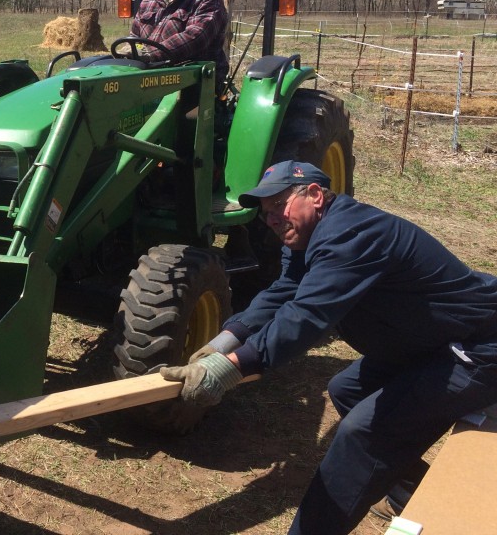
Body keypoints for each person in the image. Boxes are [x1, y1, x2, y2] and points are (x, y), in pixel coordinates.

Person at [160, 160, 497, 535]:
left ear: (315, 195)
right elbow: (283, 291)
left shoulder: (351, 235)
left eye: (279, 205)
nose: (271, 219)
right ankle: (413, 492)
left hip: (474, 348)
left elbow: (306, 315)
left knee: (361, 435)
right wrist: (224, 342)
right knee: (346, 389)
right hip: (424, 342)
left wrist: (231, 368)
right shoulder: (305, 237)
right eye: (265, 212)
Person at [130, 0, 231, 87]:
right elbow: (134, 36)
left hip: (194, 81)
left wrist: (150, 53)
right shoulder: (149, 1)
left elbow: (195, 37)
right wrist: (131, 50)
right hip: (148, 79)